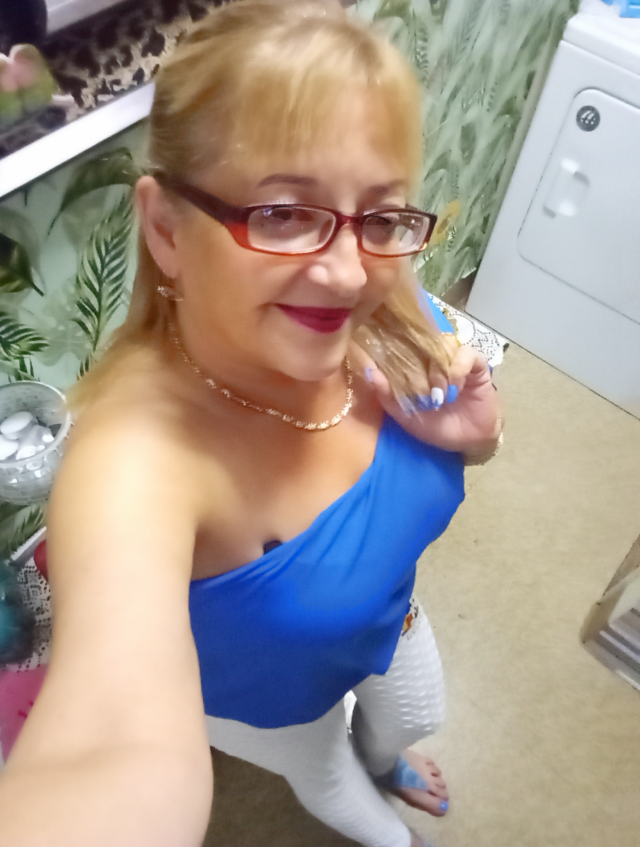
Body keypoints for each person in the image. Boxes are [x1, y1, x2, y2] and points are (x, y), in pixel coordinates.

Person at [0, 2, 502, 846]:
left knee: (415, 716)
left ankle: (386, 760)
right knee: (352, 799)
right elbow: (111, 743)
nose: (347, 274)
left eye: (380, 213)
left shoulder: (386, 300)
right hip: (278, 705)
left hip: (389, 617)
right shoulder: (135, 461)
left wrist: (476, 437)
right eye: (283, 213)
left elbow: (467, 439)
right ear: (166, 228)